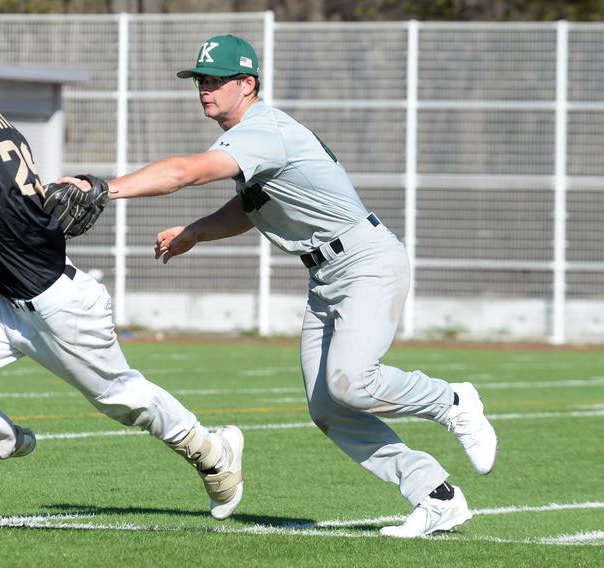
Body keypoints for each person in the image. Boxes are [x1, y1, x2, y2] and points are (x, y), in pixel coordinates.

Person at [60, 34, 498, 538]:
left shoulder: (263, 130)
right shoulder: (249, 136)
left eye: (216, 80)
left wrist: (104, 188)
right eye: (200, 79)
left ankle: (453, 401)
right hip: (327, 274)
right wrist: (196, 232)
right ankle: (435, 496)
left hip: (365, 260)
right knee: (330, 408)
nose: (205, 89)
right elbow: (252, 206)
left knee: (352, 381)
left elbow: (186, 172)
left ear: (248, 84)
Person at [0, 23, 244, 521]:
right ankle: (2, 438)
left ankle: (214, 453)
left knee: (122, 400)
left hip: (59, 304)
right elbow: (4, 204)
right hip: (7, 302)